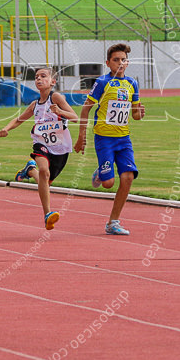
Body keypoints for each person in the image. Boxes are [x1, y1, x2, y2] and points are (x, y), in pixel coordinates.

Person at [73, 43, 146, 236]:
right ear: (108, 63)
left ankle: (113, 222)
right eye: (116, 60)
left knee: (128, 177)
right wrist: (81, 137)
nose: (120, 63)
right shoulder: (102, 82)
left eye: (123, 60)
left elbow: (136, 116)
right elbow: (86, 108)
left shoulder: (132, 84)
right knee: (108, 183)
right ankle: (101, 173)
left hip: (124, 139)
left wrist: (140, 112)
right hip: (104, 138)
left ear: (127, 62)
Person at [0, 67, 75, 230]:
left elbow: (75, 117)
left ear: (53, 82)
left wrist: (59, 111)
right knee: (45, 173)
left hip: (60, 147)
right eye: (36, 77)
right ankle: (48, 214)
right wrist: (6, 128)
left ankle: (30, 170)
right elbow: (19, 119)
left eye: (43, 76)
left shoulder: (56, 97)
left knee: (46, 181)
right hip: (41, 143)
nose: (39, 79)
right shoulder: (35, 104)